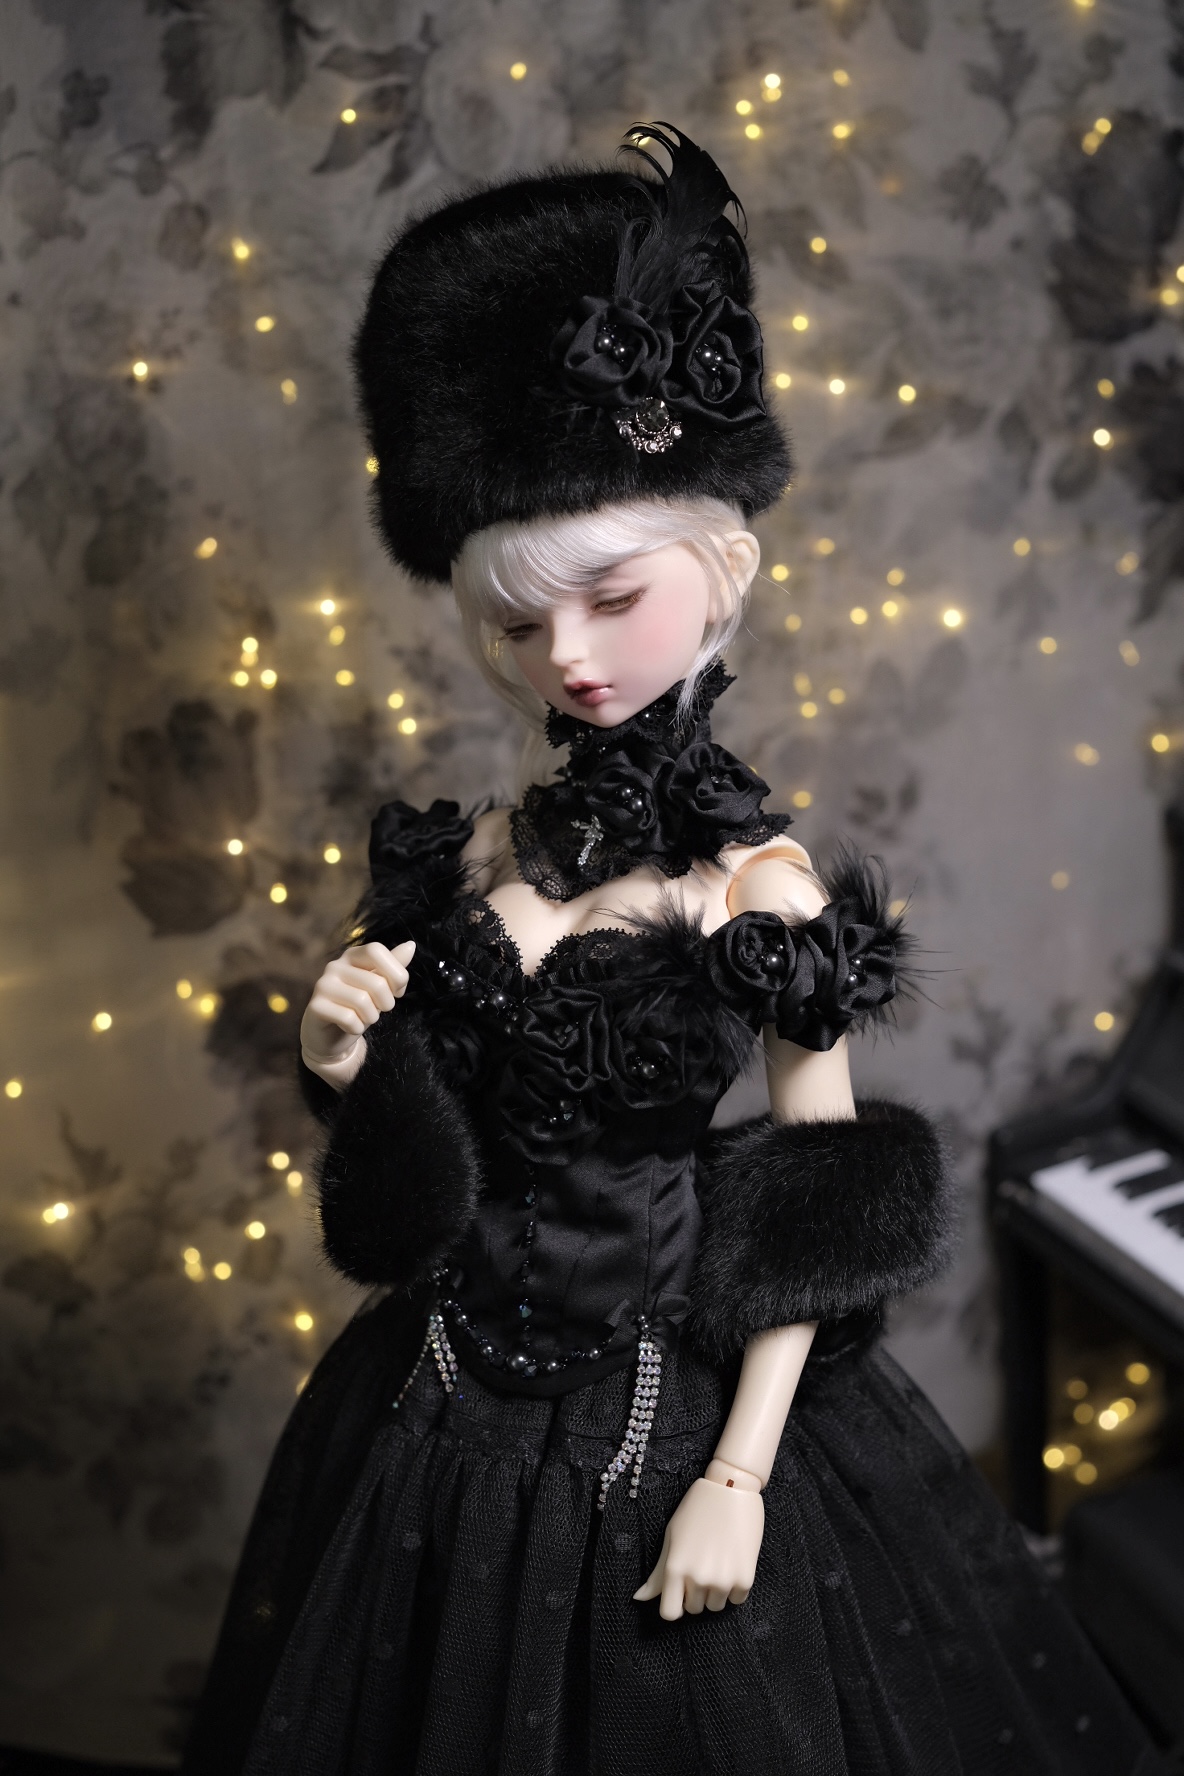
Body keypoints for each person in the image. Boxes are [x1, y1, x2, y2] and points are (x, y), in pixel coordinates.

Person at [182, 124, 1164, 1776]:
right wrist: (347, 1057)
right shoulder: (474, 856)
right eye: (516, 621)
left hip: (669, 1421)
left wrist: (740, 1477)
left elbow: (822, 1215)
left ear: (721, 572)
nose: (566, 657)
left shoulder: (754, 895)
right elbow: (409, 1197)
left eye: (610, 597)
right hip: (434, 1404)